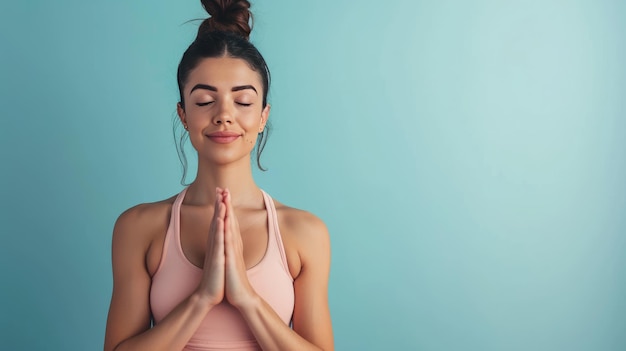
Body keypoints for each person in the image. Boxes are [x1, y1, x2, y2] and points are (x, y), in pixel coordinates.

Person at [103, 1, 334, 350]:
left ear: (262, 116)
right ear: (183, 114)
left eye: (242, 102)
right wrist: (202, 297)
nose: (224, 115)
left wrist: (246, 297)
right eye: (204, 101)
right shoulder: (139, 227)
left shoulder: (304, 233)